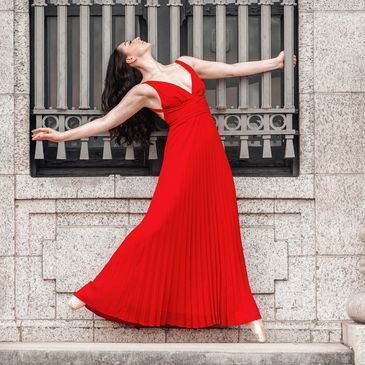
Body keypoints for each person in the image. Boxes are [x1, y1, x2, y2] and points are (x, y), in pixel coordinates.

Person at [32, 37, 297, 342]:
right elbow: (107, 121)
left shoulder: (186, 63)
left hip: (212, 158)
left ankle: (247, 312)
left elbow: (233, 69)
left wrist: (276, 63)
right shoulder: (143, 91)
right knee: (157, 225)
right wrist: (63, 137)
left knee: (222, 228)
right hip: (182, 157)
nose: (136, 38)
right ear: (130, 60)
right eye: (129, 43)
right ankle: (97, 290)